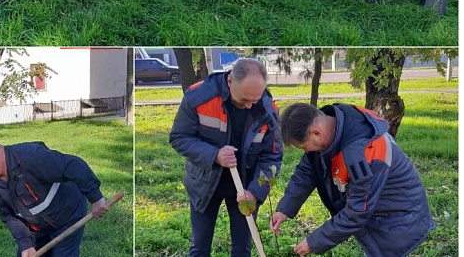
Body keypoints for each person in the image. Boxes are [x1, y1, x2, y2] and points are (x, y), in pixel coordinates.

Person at [271, 103, 435, 256]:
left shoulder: (365, 154)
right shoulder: (333, 127)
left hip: (400, 222)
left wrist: (313, 242)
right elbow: (308, 170)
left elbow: (357, 212)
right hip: (376, 217)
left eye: (304, 147)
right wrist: (285, 208)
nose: (306, 152)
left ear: (315, 133)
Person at [169, 59, 283, 256]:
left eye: (254, 100)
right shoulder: (199, 97)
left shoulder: (268, 110)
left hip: (246, 185)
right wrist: (215, 155)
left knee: (242, 249)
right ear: (230, 81)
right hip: (204, 183)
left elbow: (273, 158)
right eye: (244, 99)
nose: (249, 106)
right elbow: (179, 138)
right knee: (200, 247)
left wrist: (255, 192)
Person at [0, 137, 109, 257]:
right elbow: (8, 215)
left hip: (68, 214)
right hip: (37, 227)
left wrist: (95, 198)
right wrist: (25, 244)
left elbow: (73, 165)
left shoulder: (30, 156)